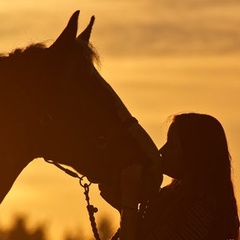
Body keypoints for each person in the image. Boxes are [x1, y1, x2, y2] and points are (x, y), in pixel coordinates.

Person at [100, 113, 239, 240]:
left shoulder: (201, 210)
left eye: (171, 146)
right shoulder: (173, 196)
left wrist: (129, 203)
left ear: (193, 155)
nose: (161, 151)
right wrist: (123, 206)